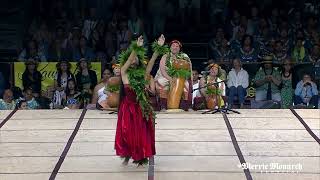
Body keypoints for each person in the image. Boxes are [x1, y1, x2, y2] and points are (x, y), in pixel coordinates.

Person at [115, 35, 164, 166]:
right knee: (128, 134)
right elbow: (130, 58)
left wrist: (159, 47)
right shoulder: (124, 73)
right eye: (132, 58)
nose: (134, 59)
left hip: (141, 107)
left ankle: (141, 156)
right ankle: (128, 153)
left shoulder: (143, 74)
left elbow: (152, 62)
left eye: (137, 57)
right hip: (128, 108)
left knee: (142, 134)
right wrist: (136, 48)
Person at [154, 40, 193, 110]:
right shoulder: (165, 56)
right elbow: (162, 70)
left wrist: (191, 82)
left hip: (180, 78)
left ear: (179, 48)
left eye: (177, 46)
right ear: (170, 47)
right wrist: (170, 79)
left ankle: (184, 106)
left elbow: (189, 70)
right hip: (165, 76)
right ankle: (163, 106)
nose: (175, 47)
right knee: (162, 82)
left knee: (186, 84)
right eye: (173, 46)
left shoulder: (184, 56)